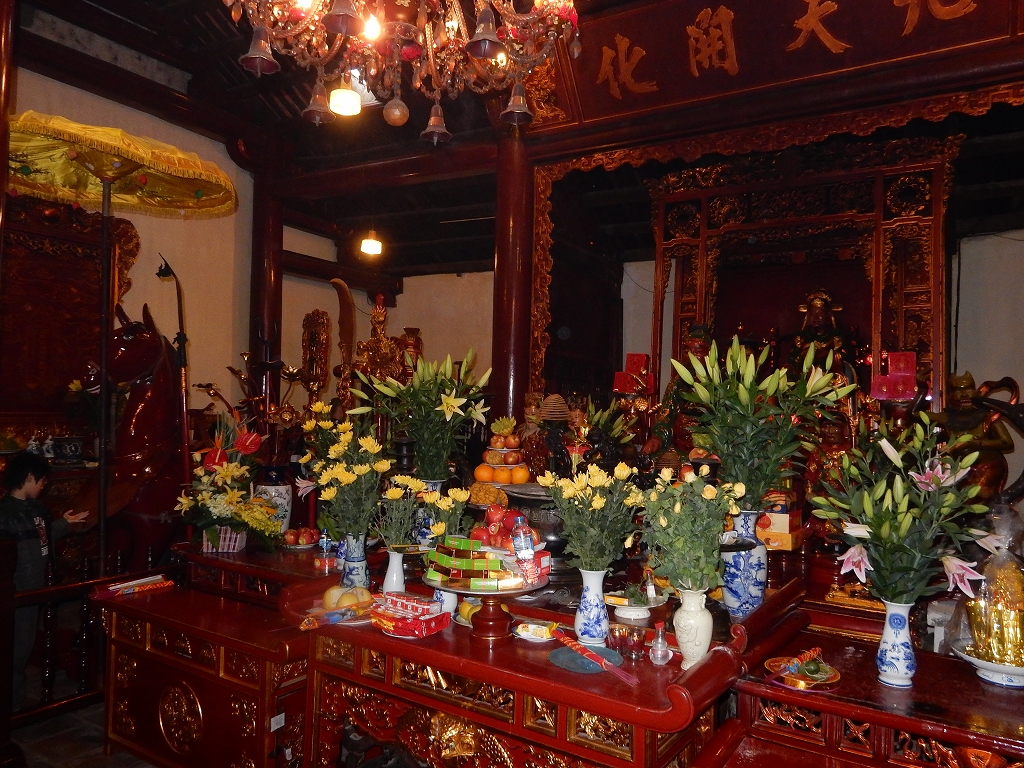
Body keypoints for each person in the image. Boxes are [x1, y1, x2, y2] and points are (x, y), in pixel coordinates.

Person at [0, 451, 88, 710]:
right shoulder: (4, 513)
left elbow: (43, 536)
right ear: (29, 477)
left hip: (33, 589)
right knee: (11, 650)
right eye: (41, 480)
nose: (43, 486)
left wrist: (64, 524)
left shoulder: (37, 510)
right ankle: (9, 704)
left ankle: (14, 702)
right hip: (14, 590)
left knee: (22, 648)